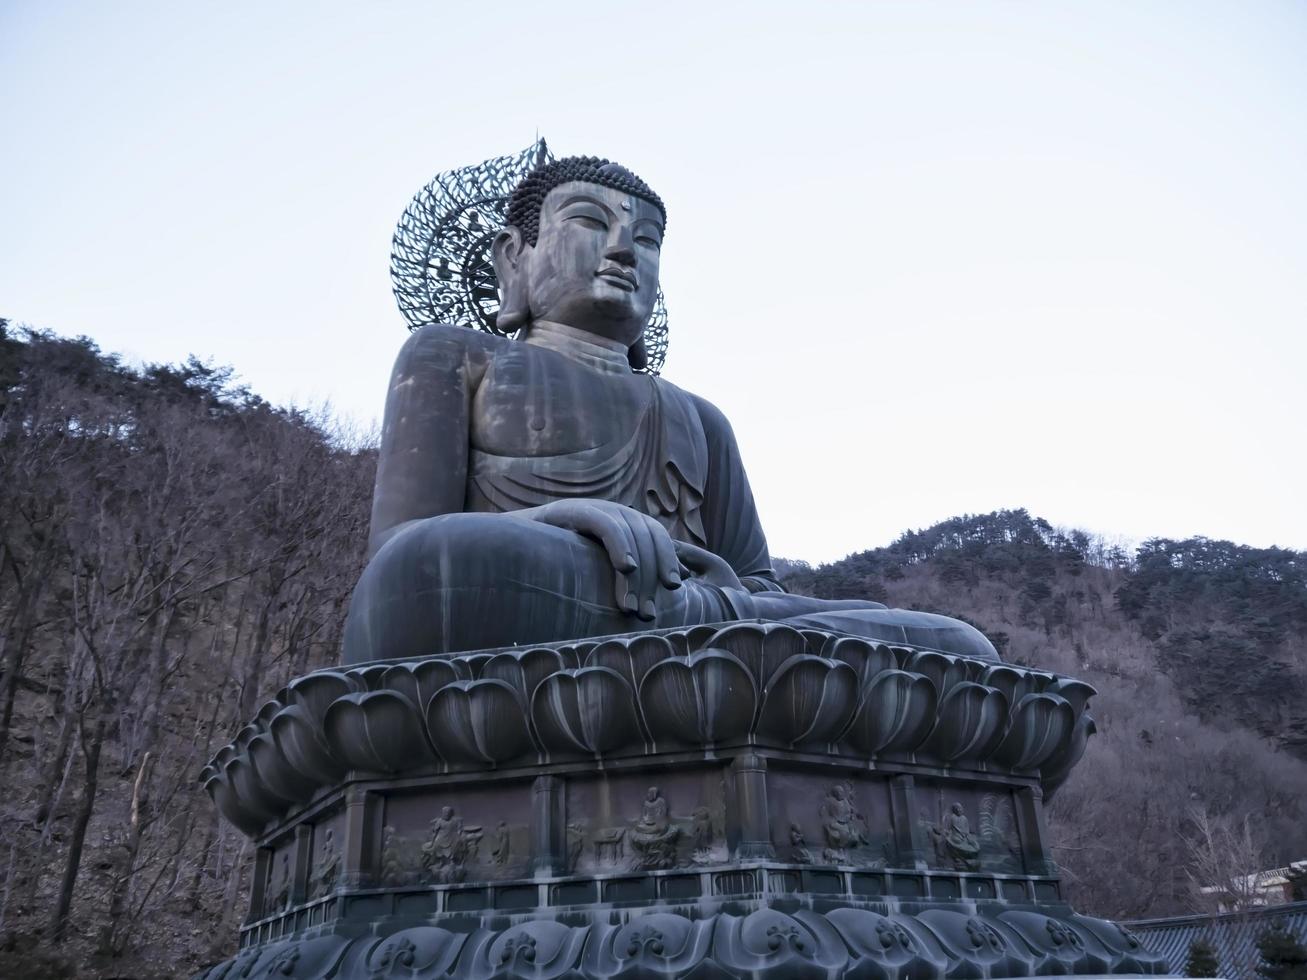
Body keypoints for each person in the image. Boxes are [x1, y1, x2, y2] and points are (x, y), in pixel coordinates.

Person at [342, 156, 1000, 663]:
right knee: (430, 566)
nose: (625, 250)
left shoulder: (697, 417)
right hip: (527, 598)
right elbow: (400, 552)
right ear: (514, 258)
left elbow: (754, 590)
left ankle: (713, 664)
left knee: (953, 643)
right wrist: (562, 517)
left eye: (648, 239)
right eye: (591, 223)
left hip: (694, 619)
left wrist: (701, 598)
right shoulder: (452, 355)